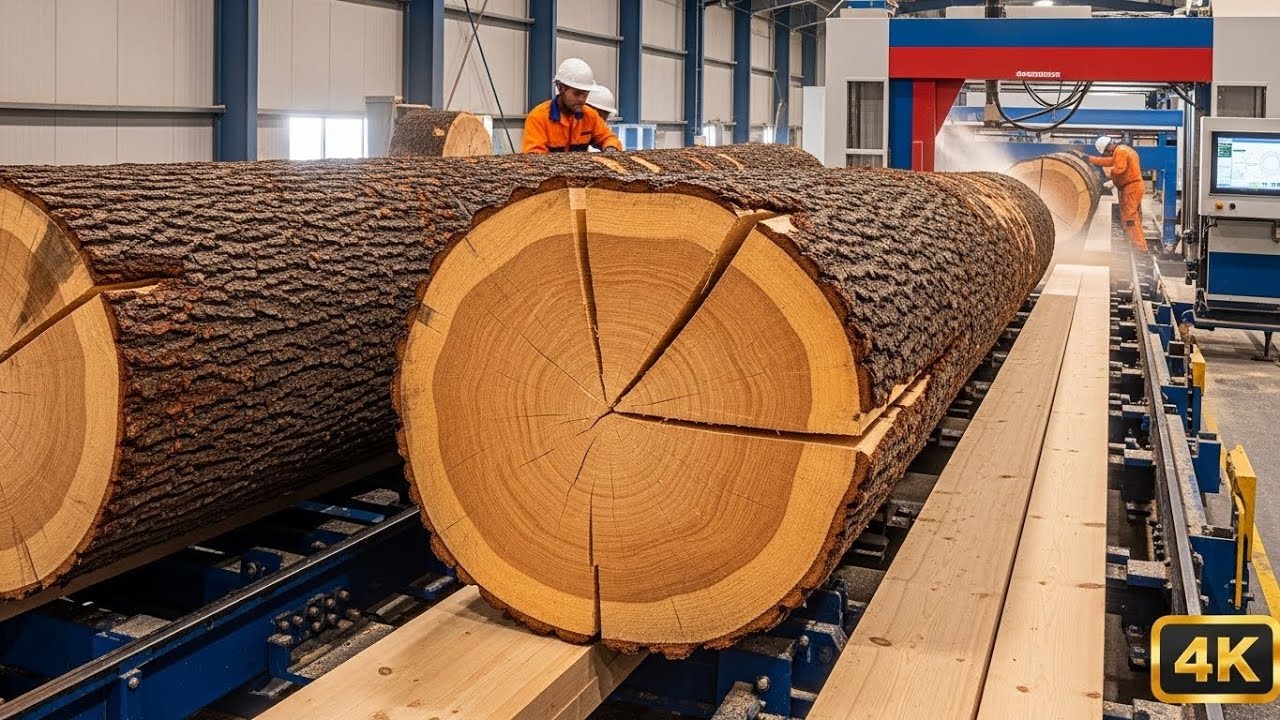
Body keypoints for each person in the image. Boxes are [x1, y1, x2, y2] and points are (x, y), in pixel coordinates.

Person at [523, 59, 622, 153]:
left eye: (585, 94)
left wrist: (611, 149)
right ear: (561, 88)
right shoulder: (538, 118)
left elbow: (609, 138)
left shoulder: (590, 116)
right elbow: (534, 156)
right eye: (577, 94)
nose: (582, 100)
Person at [1086, 135, 1147, 252]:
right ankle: (1132, 240)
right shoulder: (1123, 149)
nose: (1106, 155)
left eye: (1104, 153)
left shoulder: (1120, 152)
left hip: (1131, 188)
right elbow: (1109, 161)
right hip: (1131, 187)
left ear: (1107, 149)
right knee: (1131, 215)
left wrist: (1111, 177)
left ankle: (1140, 247)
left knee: (1130, 217)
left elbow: (1119, 169)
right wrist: (1090, 159)